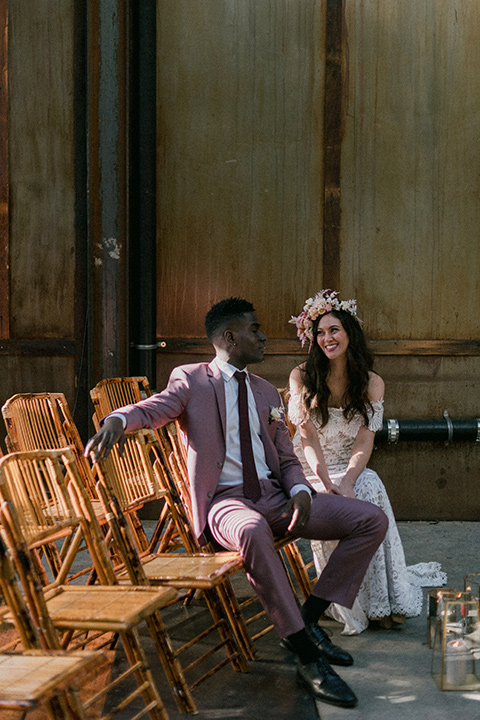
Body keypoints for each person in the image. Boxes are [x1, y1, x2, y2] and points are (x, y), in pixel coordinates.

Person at [86, 297, 388, 709]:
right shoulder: (191, 380)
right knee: (252, 530)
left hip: (275, 496)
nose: (265, 337)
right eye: (255, 329)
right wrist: (118, 420)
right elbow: (154, 407)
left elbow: (285, 456)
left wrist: (300, 490)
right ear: (229, 337)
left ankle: (310, 618)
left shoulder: (266, 391)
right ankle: (306, 653)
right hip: (226, 504)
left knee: (370, 519)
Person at [288, 289, 447, 635]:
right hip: (311, 464)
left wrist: (347, 480)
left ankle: (385, 600)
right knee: (328, 499)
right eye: (320, 332)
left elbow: (364, 441)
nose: (327, 338)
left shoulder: (371, 382)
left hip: (349, 462)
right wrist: (325, 479)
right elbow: (307, 438)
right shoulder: (301, 376)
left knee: (369, 485)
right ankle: (345, 601)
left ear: (349, 333)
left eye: (334, 330)